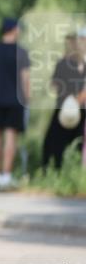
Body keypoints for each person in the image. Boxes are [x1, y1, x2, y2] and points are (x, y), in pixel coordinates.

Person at [0, 18, 31, 190]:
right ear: (13, 29)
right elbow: (26, 80)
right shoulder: (22, 52)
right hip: (15, 100)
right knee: (11, 137)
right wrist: (28, 98)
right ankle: (6, 176)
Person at [41, 32, 86, 170]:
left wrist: (74, 101)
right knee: (63, 144)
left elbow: (54, 85)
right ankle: (61, 173)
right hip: (70, 107)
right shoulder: (68, 63)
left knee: (54, 144)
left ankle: (54, 172)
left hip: (71, 108)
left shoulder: (72, 63)